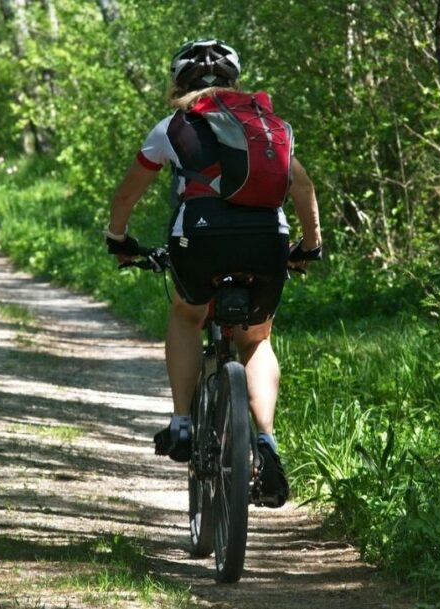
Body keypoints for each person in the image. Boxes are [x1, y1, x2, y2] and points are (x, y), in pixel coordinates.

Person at [105, 39, 322, 507]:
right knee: (257, 340)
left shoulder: (172, 127)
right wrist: (310, 246)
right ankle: (266, 440)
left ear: (179, 83)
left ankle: (182, 423)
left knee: (187, 314)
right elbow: (301, 184)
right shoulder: (266, 125)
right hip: (267, 241)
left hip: (199, 241)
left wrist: (118, 240)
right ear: (233, 81)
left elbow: (125, 197)